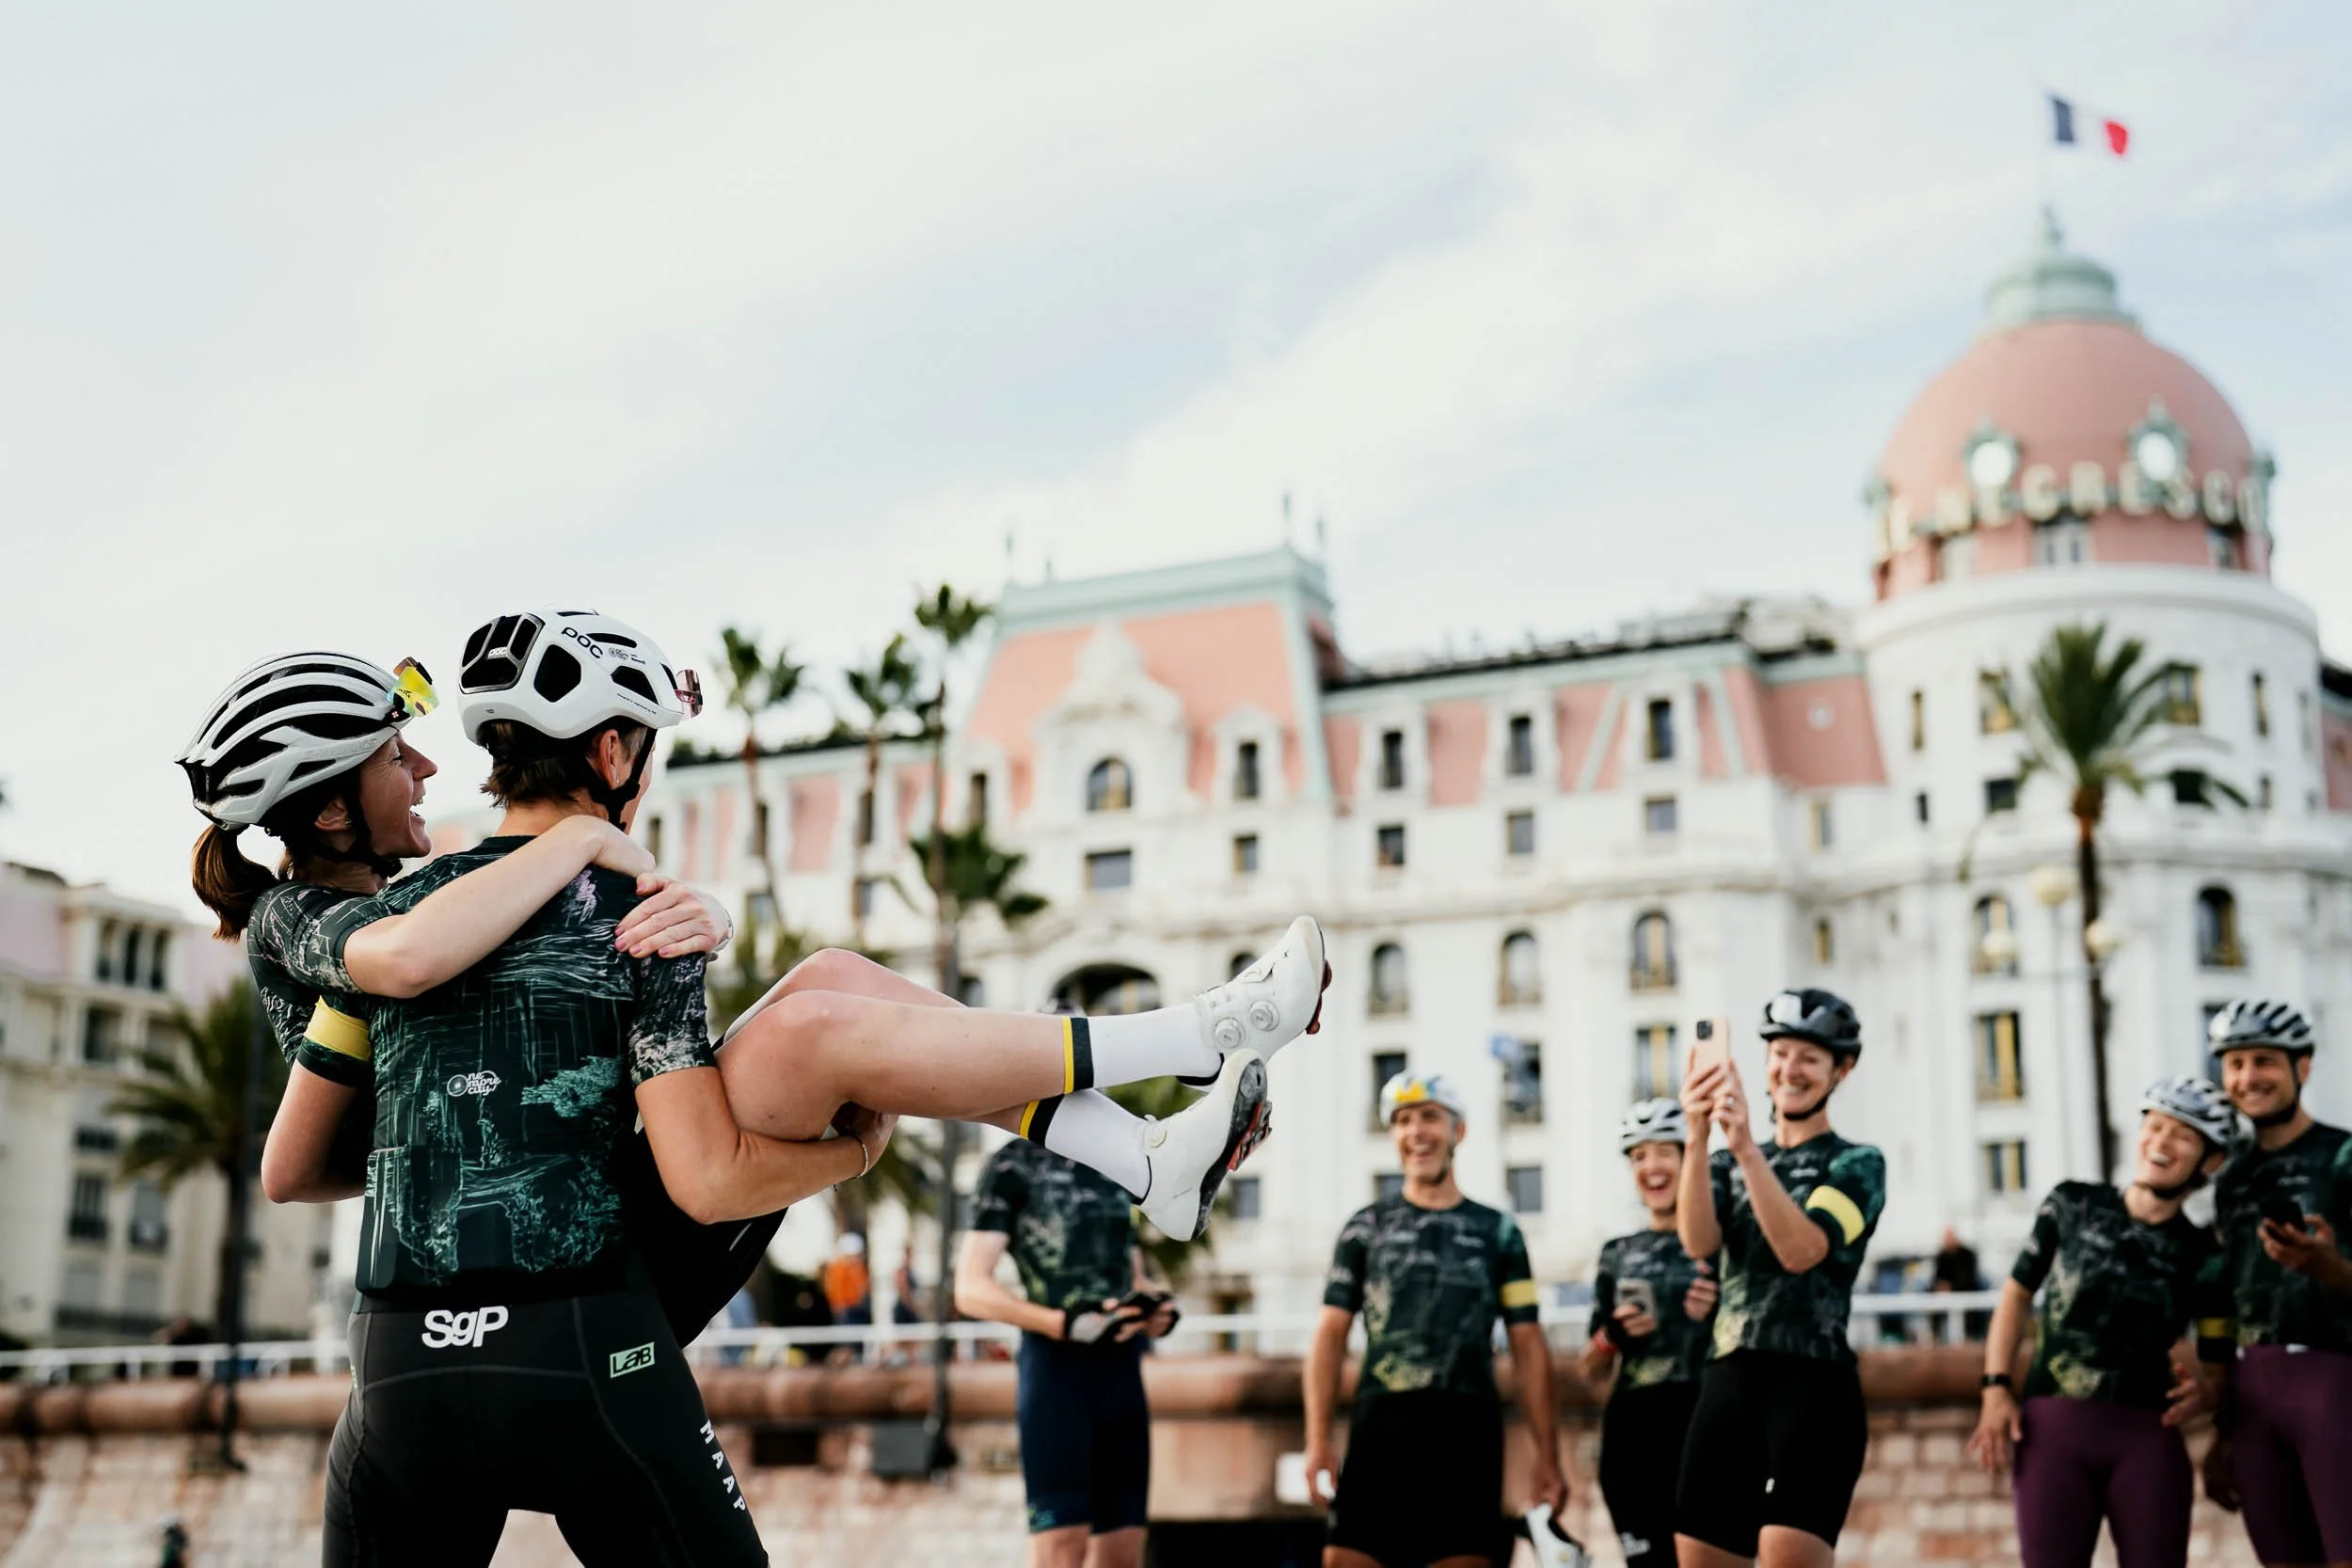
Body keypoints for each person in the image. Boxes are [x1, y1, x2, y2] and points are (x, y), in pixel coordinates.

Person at [249, 607, 1327, 1563]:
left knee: (829, 986)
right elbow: (709, 1179)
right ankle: (1197, 1035)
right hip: (584, 1334)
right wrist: (857, 1153)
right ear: (615, 748)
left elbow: (296, 1162)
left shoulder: (376, 925)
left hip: (396, 1360)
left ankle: (1142, 1151)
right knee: (816, 1020)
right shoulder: (637, 906)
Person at [178, 649, 764, 1347]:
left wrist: (708, 916)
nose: (426, 768)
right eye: (396, 757)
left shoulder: (414, 898)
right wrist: (580, 834)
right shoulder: (291, 915)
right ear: (335, 808)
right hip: (480, 1262)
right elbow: (407, 957)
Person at [1965, 1077, 2236, 1568]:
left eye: (2183, 1135)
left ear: (2210, 1160)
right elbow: (2016, 1294)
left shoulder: (2206, 1257)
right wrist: (1994, 1386)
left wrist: (2208, 1393)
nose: (2161, 1142)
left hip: (2147, 1443)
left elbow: (2219, 1368)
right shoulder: (2072, 1203)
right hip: (2051, 1434)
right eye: (2153, 1126)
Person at [1304, 1070, 1565, 1568]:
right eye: (1402, 1121)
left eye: (1429, 1117)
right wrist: (1317, 1440)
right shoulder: (1364, 1229)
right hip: (1380, 1428)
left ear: (1458, 1132)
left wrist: (1547, 1455)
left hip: (1465, 1433)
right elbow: (1330, 1336)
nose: (1415, 1132)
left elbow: (1528, 1344)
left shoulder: (1499, 1232)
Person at [1674, 990, 1885, 1568]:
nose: (1790, 1070)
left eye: (1810, 1058)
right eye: (1780, 1053)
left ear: (1842, 1070)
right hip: (1729, 1379)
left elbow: (1801, 1250)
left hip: (1814, 1386)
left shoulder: (1857, 1163)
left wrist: (1743, 1149)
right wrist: (1697, 1136)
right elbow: (1697, 1241)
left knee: (1787, 1555)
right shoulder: (1720, 1163)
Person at [955, 1126, 1183, 1567]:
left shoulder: (1119, 1155)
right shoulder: (1012, 1164)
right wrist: (1062, 1324)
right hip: (1056, 1375)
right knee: (1061, 1553)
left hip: (1122, 1374)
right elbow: (970, 1288)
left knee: (1123, 1554)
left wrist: (1158, 1307)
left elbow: (1129, 1274)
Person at [2201, 999, 2352, 1568]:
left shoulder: (2343, 1154)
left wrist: (2331, 1269)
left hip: (2334, 1380)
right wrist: (2221, 1427)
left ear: (2303, 1068)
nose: (2247, 1078)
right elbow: (2221, 1297)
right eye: (2234, 1064)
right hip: (2253, 1393)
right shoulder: (2231, 1176)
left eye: (2264, 1061)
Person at [1581, 1099, 1716, 1568]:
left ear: (1687, 1159)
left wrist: (1720, 1313)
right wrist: (1612, 1335)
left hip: (1706, 1430)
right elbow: (1591, 1368)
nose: (1652, 1167)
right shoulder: (1617, 1253)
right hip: (1633, 1436)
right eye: (1639, 1156)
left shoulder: (1720, 1243)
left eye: (1663, 1152)